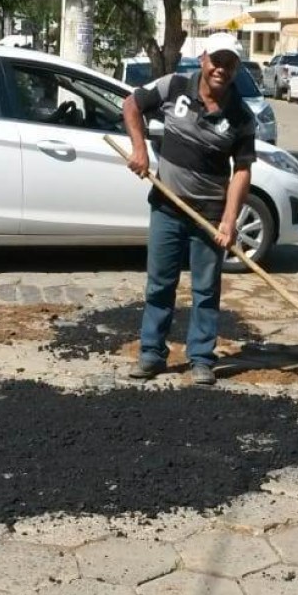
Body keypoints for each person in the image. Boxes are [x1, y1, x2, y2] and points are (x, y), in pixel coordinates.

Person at [121, 32, 257, 386]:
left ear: (236, 68)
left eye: (229, 64)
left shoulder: (241, 116)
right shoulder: (174, 86)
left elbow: (242, 170)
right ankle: (151, 353)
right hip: (167, 206)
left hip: (208, 216)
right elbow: (131, 104)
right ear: (204, 59)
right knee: (160, 283)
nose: (221, 69)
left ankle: (201, 358)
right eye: (217, 60)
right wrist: (139, 149)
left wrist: (229, 222)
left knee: (206, 290)